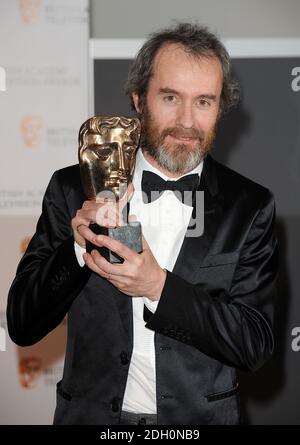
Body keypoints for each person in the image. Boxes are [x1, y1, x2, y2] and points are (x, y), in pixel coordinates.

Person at [7, 22, 278, 425]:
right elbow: (22, 323)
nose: (187, 122)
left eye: (204, 102)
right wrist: (78, 248)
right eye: (170, 98)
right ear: (138, 99)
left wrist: (159, 288)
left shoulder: (250, 205)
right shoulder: (72, 188)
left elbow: (254, 344)